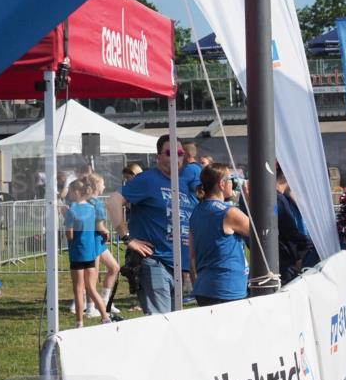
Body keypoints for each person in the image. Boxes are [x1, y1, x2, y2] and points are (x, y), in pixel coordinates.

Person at [107, 134, 195, 315]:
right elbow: (113, 202)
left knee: (175, 322)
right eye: (170, 153)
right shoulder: (148, 179)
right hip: (155, 262)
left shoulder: (184, 183)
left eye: (180, 153)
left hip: (179, 266)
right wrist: (127, 238)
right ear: (158, 157)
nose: (176, 157)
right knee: (161, 322)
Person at [189, 163, 250, 307]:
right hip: (227, 287)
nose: (233, 183)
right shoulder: (228, 213)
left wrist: (195, 282)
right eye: (231, 179)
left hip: (204, 287)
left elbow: (191, 255)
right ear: (222, 184)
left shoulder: (196, 212)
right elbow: (262, 233)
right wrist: (249, 201)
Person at [63, 179, 111, 328]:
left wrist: (65, 218)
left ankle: (79, 322)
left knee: (78, 289)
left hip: (77, 253)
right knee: (91, 288)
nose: (69, 195)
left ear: (76, 192)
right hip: (90, 253)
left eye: (71, 192)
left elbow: (69, 235)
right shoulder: (92, 208)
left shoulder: (71, 211)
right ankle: (105, 317)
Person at [82, 173, 121, 315]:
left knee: (114, 267)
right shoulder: (96, 204)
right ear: (97, 186)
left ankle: (104, 301)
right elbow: (99, 226)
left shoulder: (84, 201)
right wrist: (106, 231)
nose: (104, 186)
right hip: (93, 241)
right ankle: (90, 308)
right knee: (93, 276)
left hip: (96, 242)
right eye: (103, 184)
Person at [276, 170, 318, 282]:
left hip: (275, 255)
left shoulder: (275, 197)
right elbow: (291, 233)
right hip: (285, 258)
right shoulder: (280, 200)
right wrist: (313, 243)